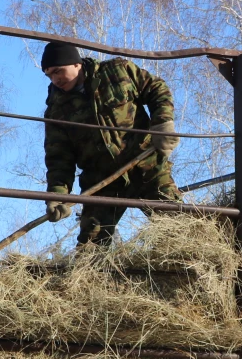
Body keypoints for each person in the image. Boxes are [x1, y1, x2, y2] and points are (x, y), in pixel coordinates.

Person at [40, 41, 182, 245]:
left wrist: (162, 123)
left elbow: (156, 88)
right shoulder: (55, 111)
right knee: (92, 247)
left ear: (76, 64)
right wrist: (58, 195)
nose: (55, 79)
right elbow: (59, 159)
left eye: (58, 71)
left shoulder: (117, 72)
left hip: (146, 165)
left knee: (176, 227)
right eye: (49, 75)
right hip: (100, 180)